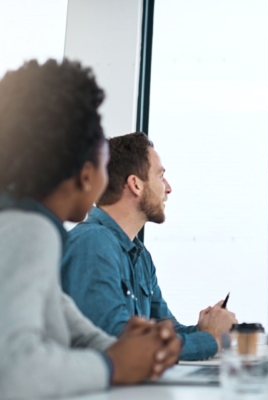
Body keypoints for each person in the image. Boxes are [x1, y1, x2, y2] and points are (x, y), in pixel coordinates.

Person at [0, 60, 182, 399]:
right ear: (86, 175)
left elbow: (79, 332)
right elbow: (13, 371)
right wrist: (112, 366)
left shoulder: (26, 227)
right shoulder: (29, 231)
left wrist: (137, 348)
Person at [61, 132, 237, 361]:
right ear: (135, 184)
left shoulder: (140, 256)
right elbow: (116, 343)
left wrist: (207, 328)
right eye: (161, 175)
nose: (169, 188)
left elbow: (167, 330)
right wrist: (210, 339)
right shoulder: (92, 244)